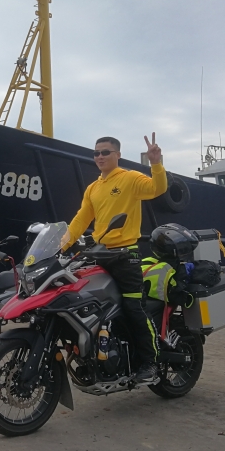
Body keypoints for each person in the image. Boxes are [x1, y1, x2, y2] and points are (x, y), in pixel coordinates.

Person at [66, 134, 168, 383]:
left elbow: (157, 189)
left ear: (118, 155)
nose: (100, 157)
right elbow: (81, 220)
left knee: (133, 307)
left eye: (105, 152)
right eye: (96, 153)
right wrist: (61, 245)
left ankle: (150, 362)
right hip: (100, 254)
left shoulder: (130, 178)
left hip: (125, 255)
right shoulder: (93, 188)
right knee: (93, 307)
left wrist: (156, 163)